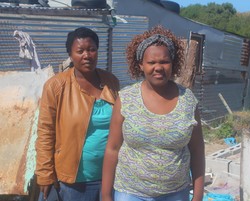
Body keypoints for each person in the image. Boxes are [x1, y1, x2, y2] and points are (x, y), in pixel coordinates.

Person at [102, 25, 205, 201]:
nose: (158, 67)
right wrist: (105, 195)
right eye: (151, 62)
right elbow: (112, 148)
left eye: (164, 62)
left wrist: (198, 195)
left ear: (173, 63)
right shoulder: (126, 98)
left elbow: (197, 150)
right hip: (130, 193)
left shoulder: (188, 100)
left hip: (176, 194)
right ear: (140, 65)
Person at [35, 27, 120, 201]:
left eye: (92, 49)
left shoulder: (111, 82)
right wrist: (44, 174)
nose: (87, 55)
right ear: (71, 54)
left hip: (110, 177)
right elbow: (45, 132)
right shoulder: (56, 86)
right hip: (73, 182)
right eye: (80, 51)